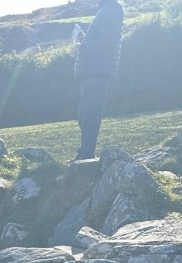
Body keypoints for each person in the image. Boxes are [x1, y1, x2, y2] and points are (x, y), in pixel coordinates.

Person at [72, 0, 124, 161]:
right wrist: (84, 40)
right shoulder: (106, 8)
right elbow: (103, 39)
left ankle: (87, 154)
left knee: (90, 114)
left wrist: (82, 46)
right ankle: (84, 152)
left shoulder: (112, 9)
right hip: (92, 70)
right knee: (85, 114)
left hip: (97, 70)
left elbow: (108, 41)